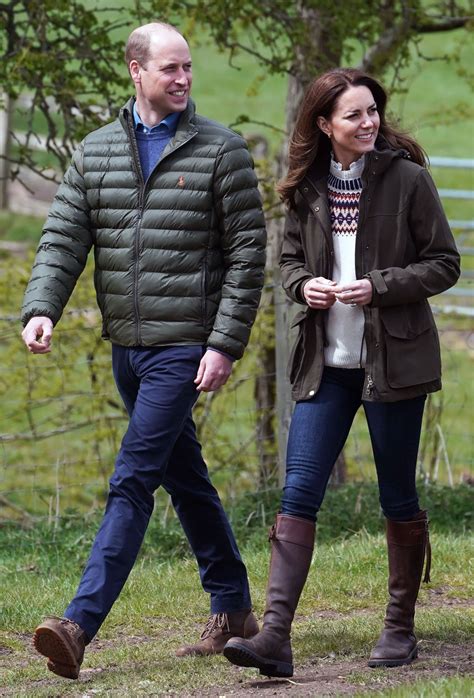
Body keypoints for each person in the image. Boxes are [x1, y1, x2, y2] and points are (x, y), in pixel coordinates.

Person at [21, 22, 266, 680]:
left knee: (132, 479)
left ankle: (78, 625)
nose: (183, 78)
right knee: (184, 476)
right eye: (169, 68)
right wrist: (42, 308)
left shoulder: (221, 150)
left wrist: (224, 343)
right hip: (126, 348)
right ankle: (234, 608)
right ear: (136, 71)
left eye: (188, 67)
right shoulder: (97, 150)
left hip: (184, 347)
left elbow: (248, 258)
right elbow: (63, 236)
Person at [223, 67, 460, 678]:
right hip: (323, 367)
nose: (368, 122)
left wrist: (377, 287)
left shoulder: (408, 180)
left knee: (397, 494)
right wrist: (306, 286)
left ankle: (399, 628)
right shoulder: (306, 188)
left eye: (372, 110)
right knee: (299, 492)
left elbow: (444, 263)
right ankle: (275, 638)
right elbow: (288, 263)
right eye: (353, 114)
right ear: (325, 124)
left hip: (395, 363)